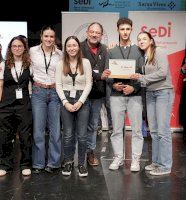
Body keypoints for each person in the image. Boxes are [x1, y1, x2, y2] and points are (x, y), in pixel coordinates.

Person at [130, 31, 174, 175]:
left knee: (163, 131)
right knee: (154, 131)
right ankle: (156, 162)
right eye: (139, 39)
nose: (141, 41)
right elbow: (146, 78)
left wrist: (142, 77)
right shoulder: (144, 57)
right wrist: (139, 77)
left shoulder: (159, 51)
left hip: (162, 92)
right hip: (150, 93)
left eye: (144, 38)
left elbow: (163, 73)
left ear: (151, 41)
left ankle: (165, 165)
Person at [108, 18, 144, 172]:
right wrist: (113, 84)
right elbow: (108, 74)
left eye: (127, 29)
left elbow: (143, 74)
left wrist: (134, 88)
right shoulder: (111, 51)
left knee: (136, 130)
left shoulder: (139, 50)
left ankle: (135, 159)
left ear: (131, 30)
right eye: (122, 29)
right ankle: (118, 157)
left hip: (134, 95)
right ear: (117, 30)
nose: (125, 32)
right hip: (116, 95)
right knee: (116, 129)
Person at [0, 36, 32, 177]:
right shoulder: (4, 64)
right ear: (10, 48)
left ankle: (25, 164)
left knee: (25, 136)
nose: (17, 48)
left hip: (23, 106)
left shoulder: (29, 64)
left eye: (20, 46)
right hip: (6, 105)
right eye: (14, 46)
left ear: (24, 48)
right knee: (4, 136)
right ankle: (5, 165)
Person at [56, 36, 92, 177]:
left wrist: (80, 102)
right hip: (65, 99)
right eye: (69, 46)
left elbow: (89, 84)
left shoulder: (86, 62)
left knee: (82, 136)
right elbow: (58, 85)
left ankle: (81, 164)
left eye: (74, 45)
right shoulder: (60, 64)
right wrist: (65, 102)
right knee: (68, 135)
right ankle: (68, 162)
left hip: (82, 100)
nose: (72, 48)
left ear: (78, 47)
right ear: (66, 48)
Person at [30, 26, 63, 174]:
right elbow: (19, 62)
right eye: (46, 36)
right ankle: (38, 163)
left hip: (55, 92)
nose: (49, 39)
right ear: (41, 37)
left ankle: (54, 163)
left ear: (54, 38)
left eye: (51, 37)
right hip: (38, 91)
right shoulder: (32, 51)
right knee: (38, 130)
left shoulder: (60, 54)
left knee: (55, 130)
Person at [80, 22, 111, 166]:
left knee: (93, 125)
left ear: (101, 35)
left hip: (98, 93)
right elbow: (79, 68)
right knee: (79, 125)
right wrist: (99, 76)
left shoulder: (105, 49)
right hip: (80, 94)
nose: (94, 34)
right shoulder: (78, 47)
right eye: (92, 32)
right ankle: (77, 153)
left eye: (97, 33)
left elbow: (107, 69)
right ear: (87, 32)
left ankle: (90, 152)